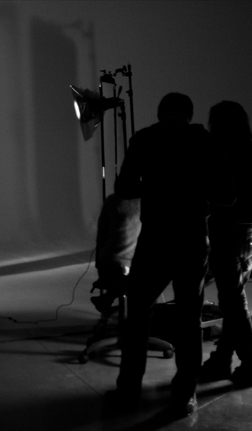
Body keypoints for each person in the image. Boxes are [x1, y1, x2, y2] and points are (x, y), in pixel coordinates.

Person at [110, 93, 235, 417]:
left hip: (155, 238)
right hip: (192, 239)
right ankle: (184, 396)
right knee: (189, 319)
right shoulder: (205, 142)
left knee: (138, 316)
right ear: (190, 115)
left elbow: (124, 189)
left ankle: (128, 393)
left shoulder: (143, 139)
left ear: (160, 112)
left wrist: (155, 187)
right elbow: (226, 196)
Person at [199, 101, 252, 386]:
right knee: (234, 300)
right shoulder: (249, 149)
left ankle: (249, 362)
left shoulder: (220, 153)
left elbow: (220, 197)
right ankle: (221, 360)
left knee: (232, 302)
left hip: (227, 232)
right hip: (248, 235)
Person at [91, 193, 141, 313]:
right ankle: (108, 299)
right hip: (128, 260)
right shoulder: (146, 201)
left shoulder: (113, 200)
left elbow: (101, 234)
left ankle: (107, 299)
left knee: (124, 280)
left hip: (111, 261)